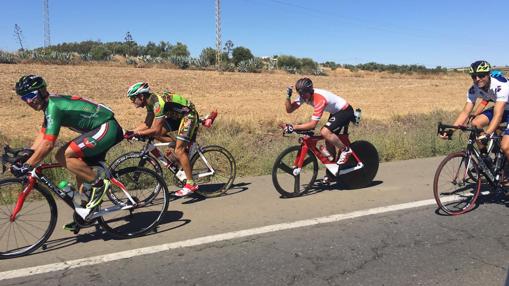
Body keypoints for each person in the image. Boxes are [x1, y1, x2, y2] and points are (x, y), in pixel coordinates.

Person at [12, 75, 124, 231]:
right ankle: (85, 216)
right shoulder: (49, 106)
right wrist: (27, 154)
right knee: (80, 173)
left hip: (106, 127)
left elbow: (48, 144)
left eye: (31, 95)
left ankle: (99, 184)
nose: (29, 101)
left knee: (62, 155)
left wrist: (28, 165)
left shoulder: (53, 107)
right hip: (96, 129)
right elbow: (43, 135)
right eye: (24, 98)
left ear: (42, 91)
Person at [124, 82, 199, 197]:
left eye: (133, 98)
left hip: (188, 116)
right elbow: (147, 124)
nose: (132, 101)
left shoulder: (157, 104)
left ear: (141, 96)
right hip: (176, 116)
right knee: (156, 136)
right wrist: (132, 132)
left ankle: (190, 184)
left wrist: (138, 133)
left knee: (178, 150)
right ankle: (178, 147)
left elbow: (156, 129)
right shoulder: (150, 103)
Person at [282, 77, 355, 182]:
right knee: (329, 141)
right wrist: (288, 97)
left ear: (310, 91)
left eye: (304, 94)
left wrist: (294, 127)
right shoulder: (303, 96)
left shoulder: (319, 99)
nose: (302, 96)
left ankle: (346, 150)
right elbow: (289, 109)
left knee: (325, 132)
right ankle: (332, 174)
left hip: (345, 111)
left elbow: (312, 125)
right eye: (300, 93)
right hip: (336, 112)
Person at [440, 61, 509, 160]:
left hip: (502, 109)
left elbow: (498, 115)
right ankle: (485, 157)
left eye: (481, 75)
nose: (477, 79)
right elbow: (465, 112)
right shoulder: (473, 89)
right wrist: (452, 130)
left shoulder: (500, 86)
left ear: (488, 74)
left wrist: (487, 134)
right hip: (503, 108)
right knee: (475, 123)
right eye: (474, 76)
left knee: (505, 147)